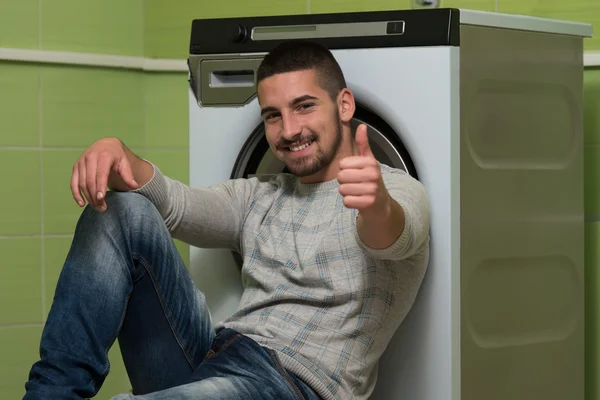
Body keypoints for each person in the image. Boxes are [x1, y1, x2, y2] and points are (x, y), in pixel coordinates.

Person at [23, 40, 430, 400]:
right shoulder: (259, 194)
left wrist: (374, 204)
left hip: (291, 383)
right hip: (214, 353)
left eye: (304, 106)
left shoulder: (398, 191)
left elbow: (391, 234)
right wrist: (117, 152)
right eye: (273, 116)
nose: (289, 130)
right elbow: (174, 204)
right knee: (123, 207)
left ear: (344, 104)